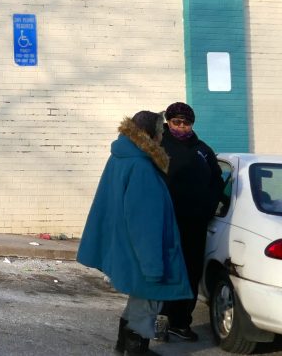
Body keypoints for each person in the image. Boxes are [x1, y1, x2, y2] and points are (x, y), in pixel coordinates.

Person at [79, 111, 191, 354]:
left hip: (126, 248)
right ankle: (134, 350)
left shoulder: (122, 156)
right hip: (142, 254)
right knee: (148, 301)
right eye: (161, 132)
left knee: (139, 301)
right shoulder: (142, 166)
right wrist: (153, 267)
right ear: (149, 135)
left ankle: (124, 346)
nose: (163, 137)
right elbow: (144, 223)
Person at [157, 102, 223, 342]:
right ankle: (158, 318)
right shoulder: (158, 146)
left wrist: (207, 208)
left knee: (190, 272)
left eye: (186, 123)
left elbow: (217, 184)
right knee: (163, 270)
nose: (181, 127)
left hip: (194, 225)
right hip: (164, 222)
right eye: (177, 122)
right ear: (168, 121)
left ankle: (181, 321)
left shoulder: (203, 151)